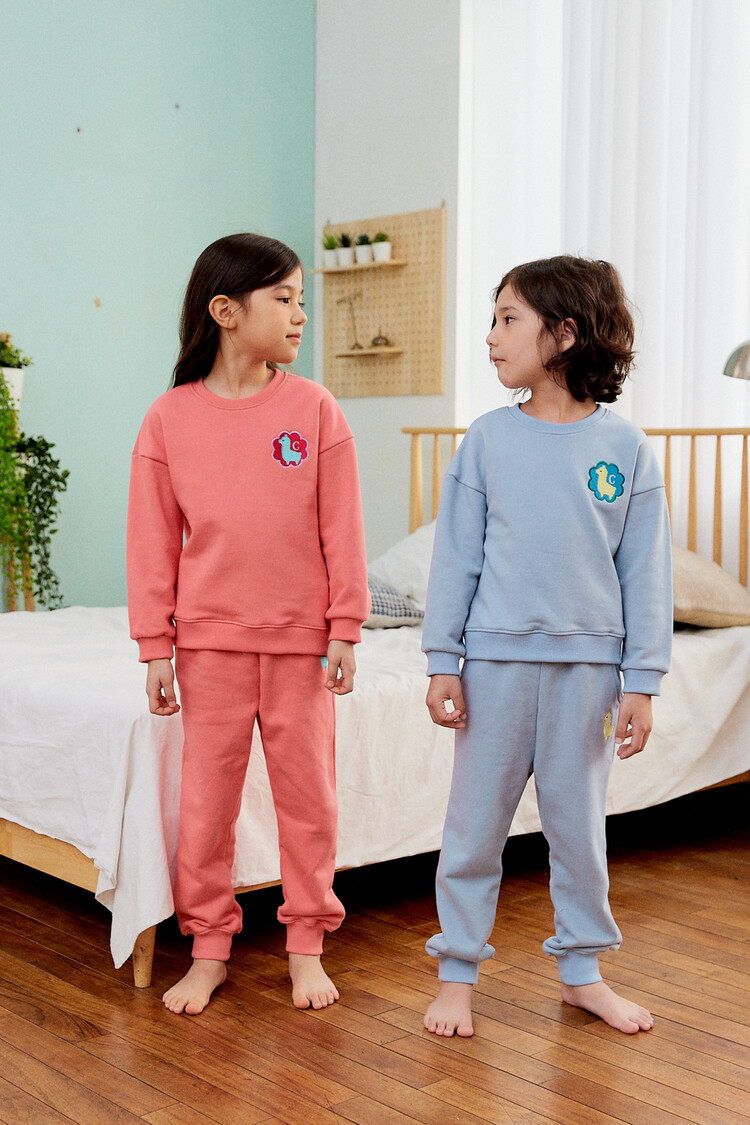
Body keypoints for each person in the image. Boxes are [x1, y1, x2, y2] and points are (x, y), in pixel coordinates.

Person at [422, 255, 672, 1038]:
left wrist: (643, 681)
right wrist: (442, 659)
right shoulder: (487, 441)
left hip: (588, 677)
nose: (490, 336)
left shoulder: (626, 449)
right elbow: (456, 558)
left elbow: (645, 575)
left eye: (508, 319)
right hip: (494, 669)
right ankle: (457, 972)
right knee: (473, 829)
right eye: (493, 319)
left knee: (579, 832)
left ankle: (582, 973)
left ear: (564, 333)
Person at [127, 233, 369, 1016]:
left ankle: (306, 945)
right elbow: (152, 541)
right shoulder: (169, 419)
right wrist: (155, 646)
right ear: (226, 311)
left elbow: (342, 528)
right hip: (209, 646)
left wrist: (345, 625)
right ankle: (208, 948)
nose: (302, 314)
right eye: (285, 298)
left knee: (310, 801)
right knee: (206, 806)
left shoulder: (315, 409)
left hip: (301, 646)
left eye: (302, 299)